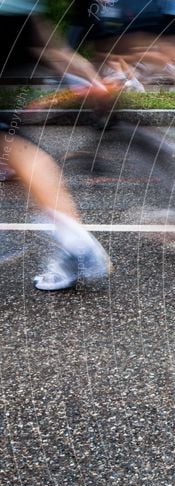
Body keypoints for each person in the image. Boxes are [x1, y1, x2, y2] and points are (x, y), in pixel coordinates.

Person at [1, 0, 112, 290]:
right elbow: (50, 48)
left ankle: (74, 238)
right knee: (12, 143)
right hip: (20, 11)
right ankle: (73, 237)